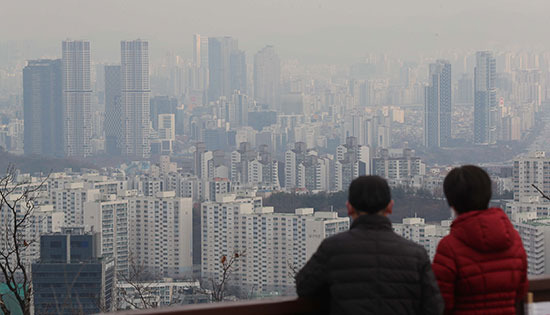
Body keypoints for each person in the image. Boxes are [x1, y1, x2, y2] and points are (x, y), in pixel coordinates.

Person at [295, 175, 443, 315]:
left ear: (349, 208)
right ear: (390, 207)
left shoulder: (333, 248)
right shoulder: (416, 254)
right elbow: (434, 307)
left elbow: (304, 287)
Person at [432, 165, 528, 314]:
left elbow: (441, 303)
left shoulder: (449, 247)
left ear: (451, 202)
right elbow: (521, 291)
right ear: (488, 194)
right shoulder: (513, 239)